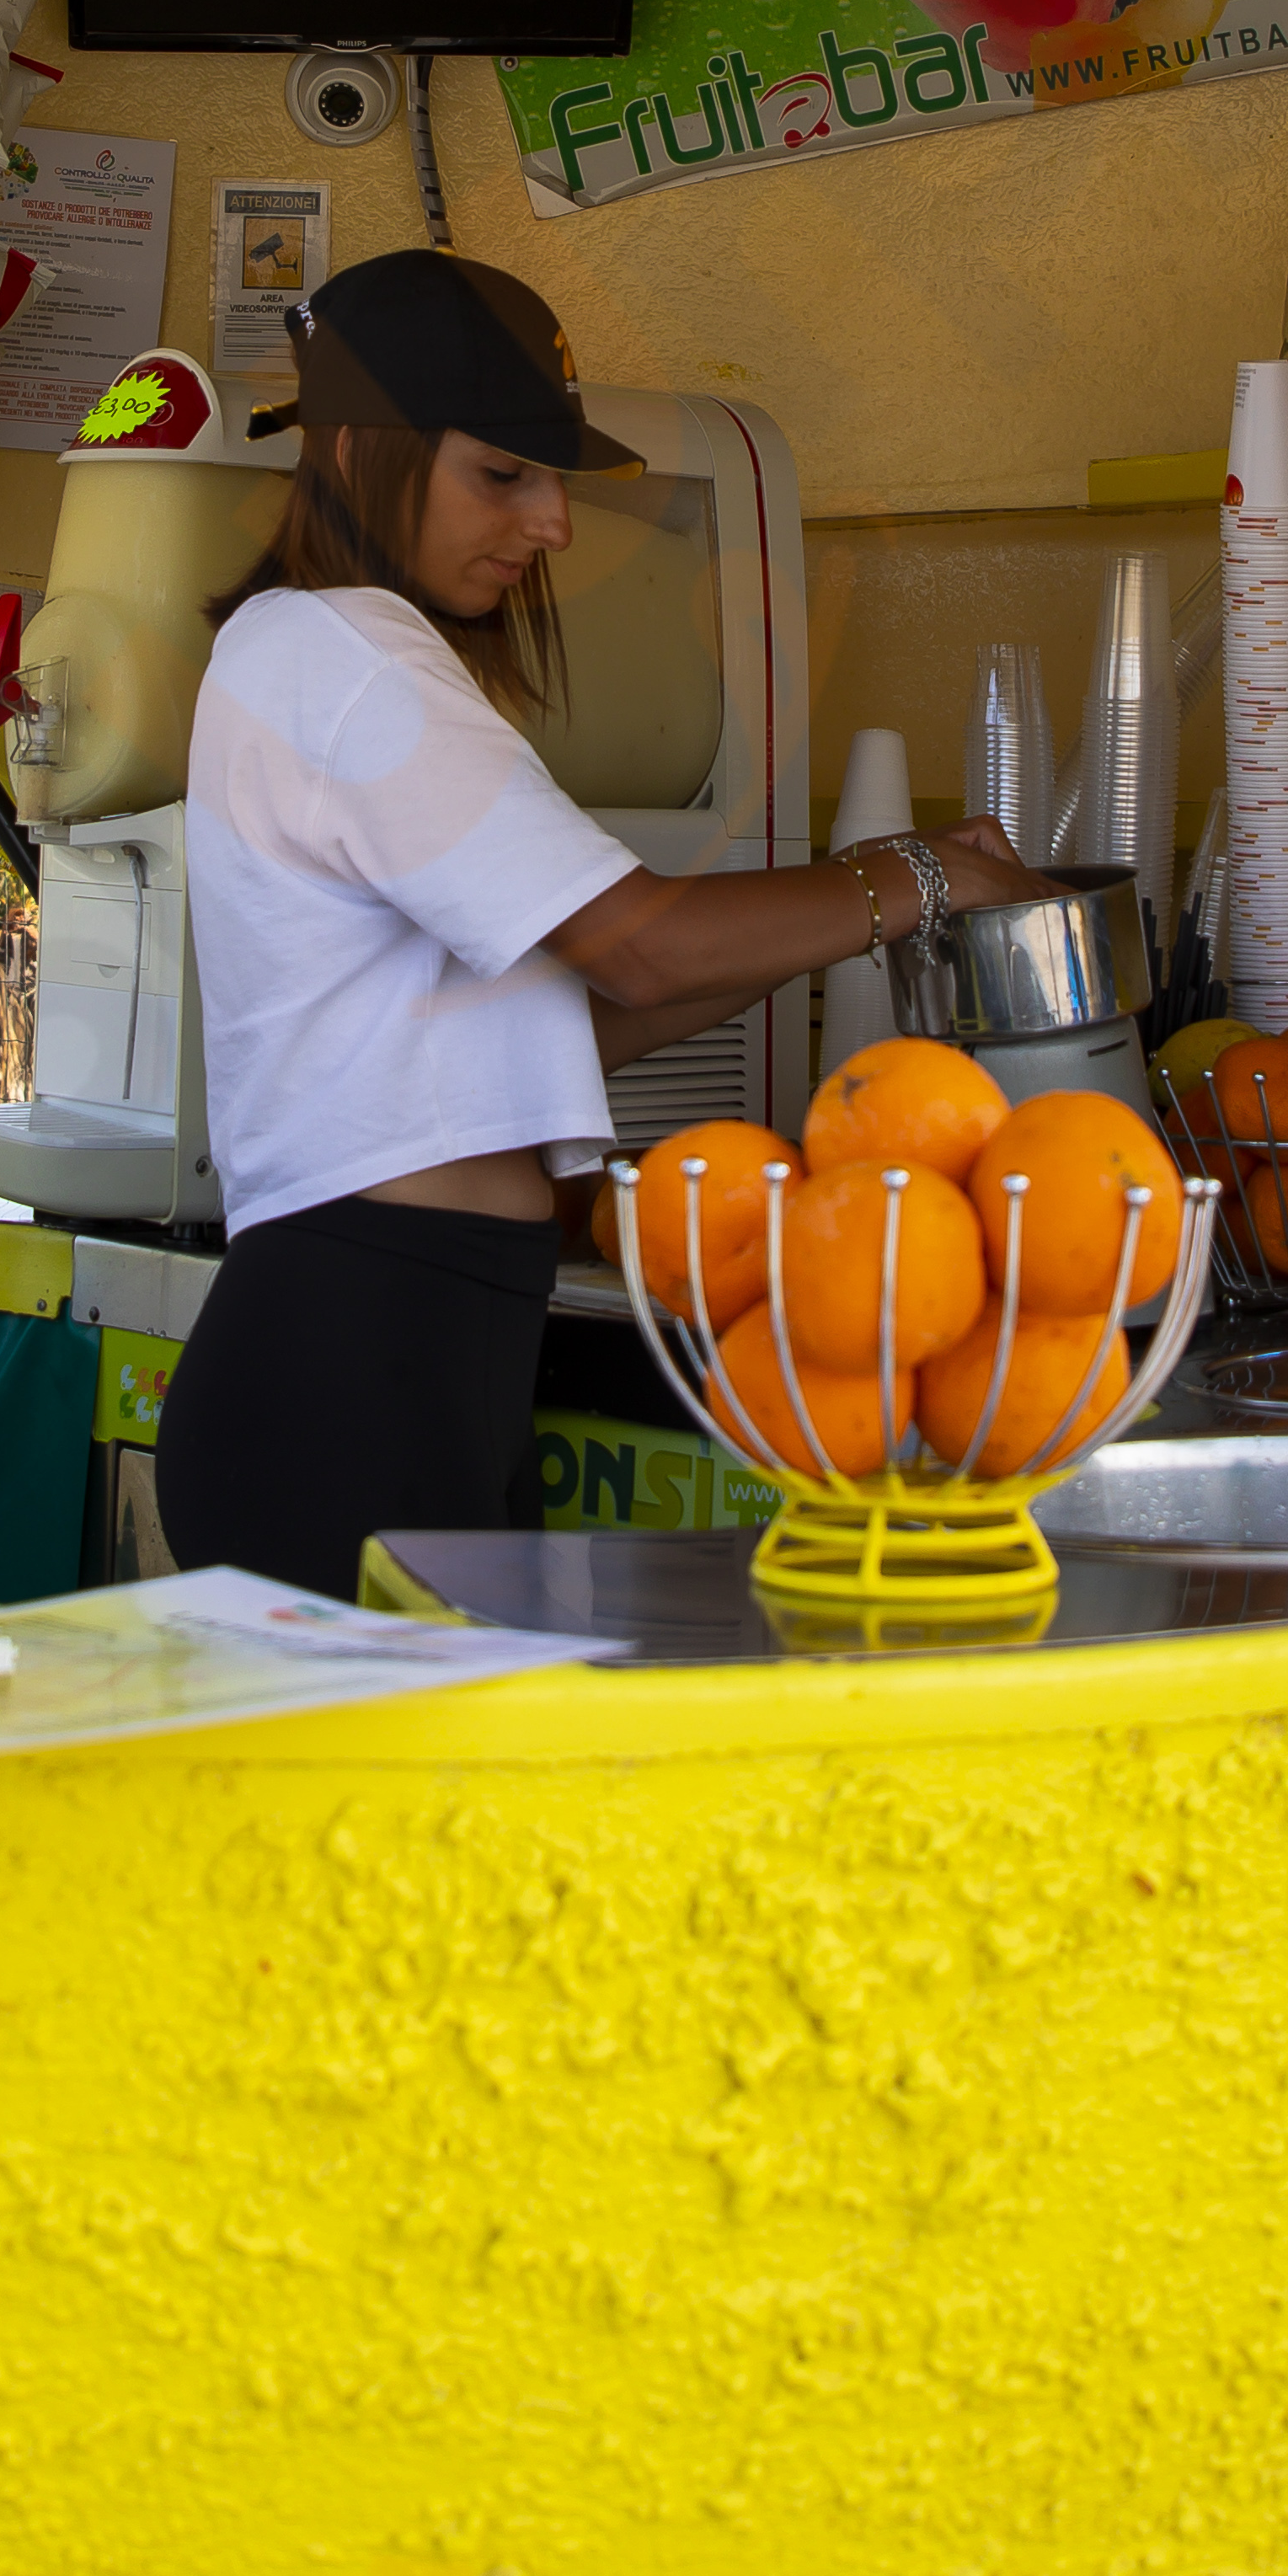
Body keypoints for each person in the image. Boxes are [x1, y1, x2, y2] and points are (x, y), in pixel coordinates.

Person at [152, 249, 1038, 1600]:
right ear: (350, 449)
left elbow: (591, 1012)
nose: (553, 525)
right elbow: (643, 943)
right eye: (503, 475)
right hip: (350, 1357)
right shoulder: (336, 655)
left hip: (422, 1345)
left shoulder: (335, 655)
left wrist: (863, 895)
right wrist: (922, 878)